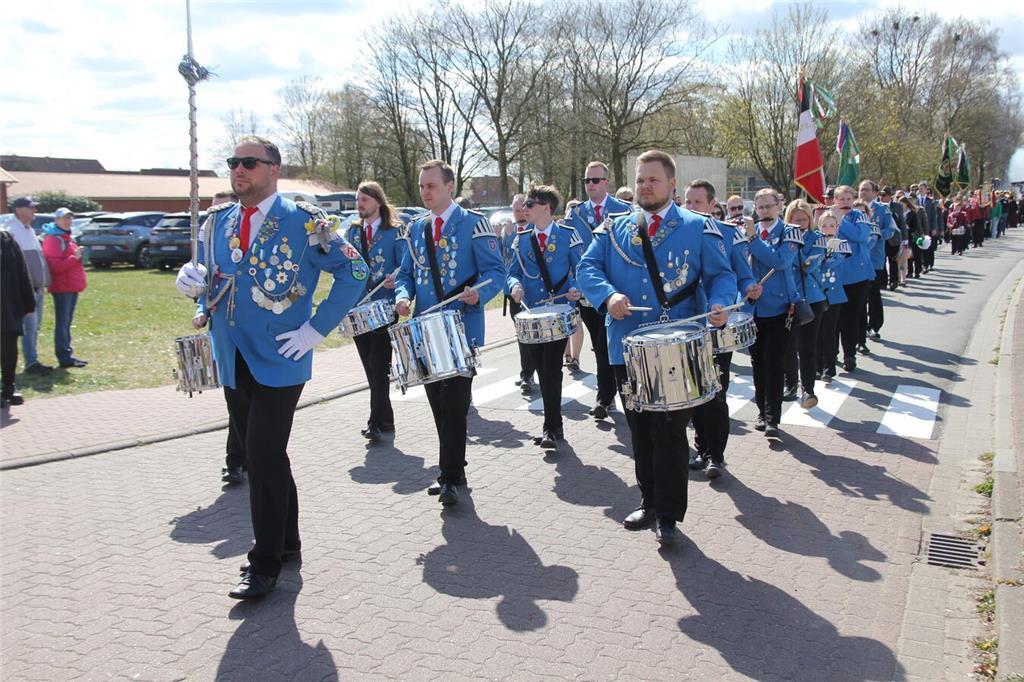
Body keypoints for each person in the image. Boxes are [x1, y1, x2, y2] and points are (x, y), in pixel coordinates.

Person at [175, 135, 368, 599]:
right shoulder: (217, 222)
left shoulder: (305, 222)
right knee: (266, 455)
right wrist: (193, 283)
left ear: (274, 169)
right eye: (233, 162)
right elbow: (219, 284)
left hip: (282, 356)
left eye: (249, 163)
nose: (238, 170)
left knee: (260, 456)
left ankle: (263, 565)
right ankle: (288, 541)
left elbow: (355, 272)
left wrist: (314, 331)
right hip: (232, 354)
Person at [577, 150, 736, 546]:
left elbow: (722, 276)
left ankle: (668, 514)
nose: (645, 186)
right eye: (640, 179)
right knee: (640, 431)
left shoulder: (698, 228)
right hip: (626, 346)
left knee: (670, 431)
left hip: (677, 347)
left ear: (672, 186)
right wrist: (608, 295)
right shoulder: (612, 229)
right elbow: (586, 268)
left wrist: (720, 304)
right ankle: (648, 499)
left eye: (653, 180)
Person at [394, 159, 505, 507]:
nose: (425, 192)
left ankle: (448, 476)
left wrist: (479, 293)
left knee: (454, 404)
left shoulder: (473, 224)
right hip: (426, 330)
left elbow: (496, 273)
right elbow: (406, 274)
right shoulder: (415, 229)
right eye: (422, 186)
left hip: (461, 328)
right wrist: (402, 296)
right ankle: (454, 469)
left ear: (449, 187)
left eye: (432, 186)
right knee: (436, 404)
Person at [683, 179, 758, 479]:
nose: (690, 208)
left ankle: (716, 454)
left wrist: (749, 286)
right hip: (687, 325)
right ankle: (702, 449)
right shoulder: (678, 233)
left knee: (716, 390)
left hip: (717, 324)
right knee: (694, 390)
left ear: (713, 205)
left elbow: (742, 274)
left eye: (696, 203)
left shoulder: (729, 234)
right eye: (686, 202)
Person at [507, 185, 584, 450]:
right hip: (531, 314)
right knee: (541, 368)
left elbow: (581, 269)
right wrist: (514, 285)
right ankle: (554, 425)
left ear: (546, 208)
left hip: (559, 312)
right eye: (525, 204)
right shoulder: (522, 238)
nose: (524, 209)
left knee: (551, 368)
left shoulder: (567, 235)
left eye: (530, 204)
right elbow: (512, 272)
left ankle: (551, 426)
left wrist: (577, 289)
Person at [565, 161, 632, 420]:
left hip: (617, 289)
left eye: (595, 180)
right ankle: (605, 397)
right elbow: (570, 254)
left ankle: (616, 392)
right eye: (586, 181)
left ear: (606, 182)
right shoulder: (575, 213)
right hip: (588, 291)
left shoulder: (624, 210)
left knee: (616, 343)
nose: (590, 185)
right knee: (599, 344)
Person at [346, 181, 406, 443]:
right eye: (358, 200)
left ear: (378, 202)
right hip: (359, 307)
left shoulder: (395, 231)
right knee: (370, 368)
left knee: (379, 365)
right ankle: (386, 418)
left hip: (384, 307)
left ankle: (376, 422)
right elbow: (344, 264)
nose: (360, 205)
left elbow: (406, 264)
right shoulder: (352, 231)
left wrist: (397, 275)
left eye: (364, 200)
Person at [744, 188, 802, 437]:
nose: (765, 212)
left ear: (779, 207)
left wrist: (753, 241)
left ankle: (772, 417)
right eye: (761, 207)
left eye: (769, 207)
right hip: (754, 308)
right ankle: (761, 409)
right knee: (757, 362)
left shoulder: (790, 232)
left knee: (774, 361)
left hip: (780, 308)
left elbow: (780, 261)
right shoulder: (749, 233)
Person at [781, 199, 825, 410]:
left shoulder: (817, 238)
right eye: (795, 219)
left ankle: (808, 388)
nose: (799, 223)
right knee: (788, 345)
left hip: (811, 298)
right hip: (787, 296)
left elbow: (808, 265)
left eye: (803, 219)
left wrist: (795, 246)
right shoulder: (783, 237)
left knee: (807, 346)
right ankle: (791, 384)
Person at [3, 197, 52, 374]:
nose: (34, 210)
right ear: (18, 209)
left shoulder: (29, 230)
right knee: (28, 327)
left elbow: (38, 259)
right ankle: (30, 362)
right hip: (26, 289)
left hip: (38, 287)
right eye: (31, 207)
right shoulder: (12, 231)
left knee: (35, 326)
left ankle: (32, 358)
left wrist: (44, 281)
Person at [40, 208, 88, 368]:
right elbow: (54, 267)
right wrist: (74, 257)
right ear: (56, 220)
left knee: (67, 322)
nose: (68, 221)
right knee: (63, 322)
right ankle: (64, 356)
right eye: (64, 218)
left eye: (69, 218)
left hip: (71, 285)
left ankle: (67, 354)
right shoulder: (54, 239)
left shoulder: (68, 238)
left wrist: (77, 257)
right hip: (62, 287)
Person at [833, 186, 874, 373]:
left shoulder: (859, 216)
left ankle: (849, 354)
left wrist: (841, 221)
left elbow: (861, 236)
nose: (846, 203)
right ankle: (829, 354)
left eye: (849, 199)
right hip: (834, 276)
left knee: (851, 316)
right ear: (835, 201)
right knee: (834, 318)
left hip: (857, 276)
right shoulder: (829, 217)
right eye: (841, 199)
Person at [504, 194, 538, 392]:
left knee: (532, 334)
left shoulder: (534, 230)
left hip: (533, 293)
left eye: (522, 209)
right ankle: (526, 372)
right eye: (516, 210)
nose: (519, 214)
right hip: (514, 293)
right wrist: (505, 236)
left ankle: (530, 372)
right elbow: (504, 262)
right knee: (521, 334)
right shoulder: (508, 232)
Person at [1, 230, 36, 408]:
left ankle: (9, 386)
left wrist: (28, 302)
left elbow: (22, 270)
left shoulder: (6, 239)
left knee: (8, 347)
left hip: (7, 305)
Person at [858, 180, 895, 346]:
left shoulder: (883, 209)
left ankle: (873, 326)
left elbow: (890, 230)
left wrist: (877, 233)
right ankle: (860, 328)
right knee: (859, 296)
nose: (863, 193)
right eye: (860, 190)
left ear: (874, 192)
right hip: (856, 260)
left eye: (866, 190)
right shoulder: (854, 208)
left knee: (873, 293)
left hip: (875, 259)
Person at [814, 210, 848, 382]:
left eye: (831, 225)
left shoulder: (841, 244)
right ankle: (817, 366)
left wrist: (826, 253)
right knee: (817, 332)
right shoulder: (815, 243)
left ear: (837, 227)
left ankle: (829, 368)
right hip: (817, 293)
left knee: (829, 331)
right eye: (824, 225)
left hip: (834, 294)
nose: (828, 229)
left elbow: (836, 262)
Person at [560, 199, 585, 372]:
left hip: (575, 283)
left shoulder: (576, 233)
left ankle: (575, 357)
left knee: (576, 321)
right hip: (563, 285)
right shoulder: (561, 232)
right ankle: (567, 355)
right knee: (563, 324)